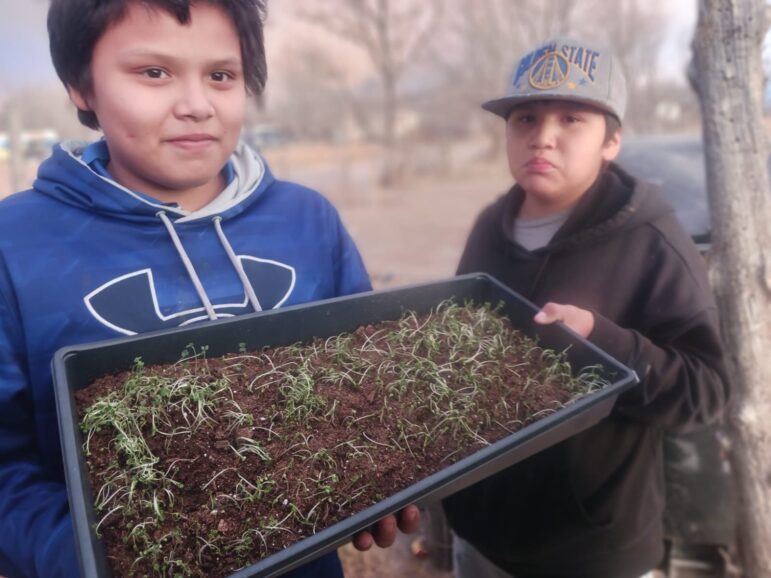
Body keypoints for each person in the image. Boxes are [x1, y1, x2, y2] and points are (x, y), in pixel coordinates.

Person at [0, 1, 418, 577]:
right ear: (81, 85)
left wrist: (384, 476)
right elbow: (7, 461)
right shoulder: (15, 243)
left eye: (221, 75)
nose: (196, 105)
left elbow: (366, 387)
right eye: (154, 73)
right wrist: (85, 560)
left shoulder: (308, 221)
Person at [442, 37, 730, 578]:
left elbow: (706, 391)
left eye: (571, 118)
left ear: (611, 142)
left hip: (590, 550)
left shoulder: (652, 240)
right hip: (480, 534)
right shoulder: (489, 227)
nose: (542, 138)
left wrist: (604, 344)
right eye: (525, 118)